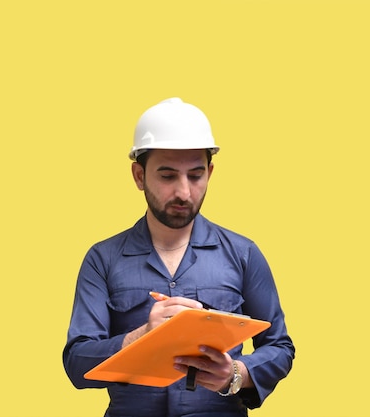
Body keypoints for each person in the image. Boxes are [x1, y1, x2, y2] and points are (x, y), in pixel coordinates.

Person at [63, 97, 295, 417]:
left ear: (210, 172)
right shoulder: (102, 260)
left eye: (196, 175)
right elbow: (77, 362)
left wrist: (236, 374)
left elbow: (280, 347)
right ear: (139, 176)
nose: (184, 193)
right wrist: (140, 336)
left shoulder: (244, 254)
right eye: (168, 176)